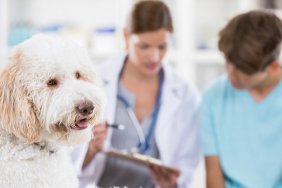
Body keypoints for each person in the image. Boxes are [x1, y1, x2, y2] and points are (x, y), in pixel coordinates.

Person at [70, 0, 201, 188]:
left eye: (162, 46)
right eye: (144, 46)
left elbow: (187, 165)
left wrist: (172, 183)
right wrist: (90, 149)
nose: (154, 57)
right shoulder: (93, 82)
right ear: (126, 36)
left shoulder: (185, 94)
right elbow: (68, 164)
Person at [201, 10, 282, 188]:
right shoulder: (213, 97)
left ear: (272, 67)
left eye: (241, 69)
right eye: (228, 61)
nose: (230, 72)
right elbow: (214, 174)